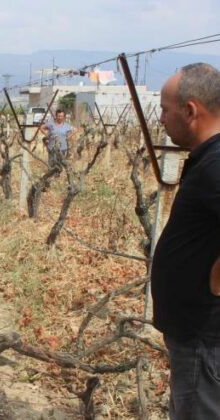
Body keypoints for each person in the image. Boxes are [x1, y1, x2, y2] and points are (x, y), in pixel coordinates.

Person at [151, 63, 220, 418]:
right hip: (196, 338)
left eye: (165, 109)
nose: (160, 118)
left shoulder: (215, 165)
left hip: (203, 338)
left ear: (190, 110)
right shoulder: (208, 158)